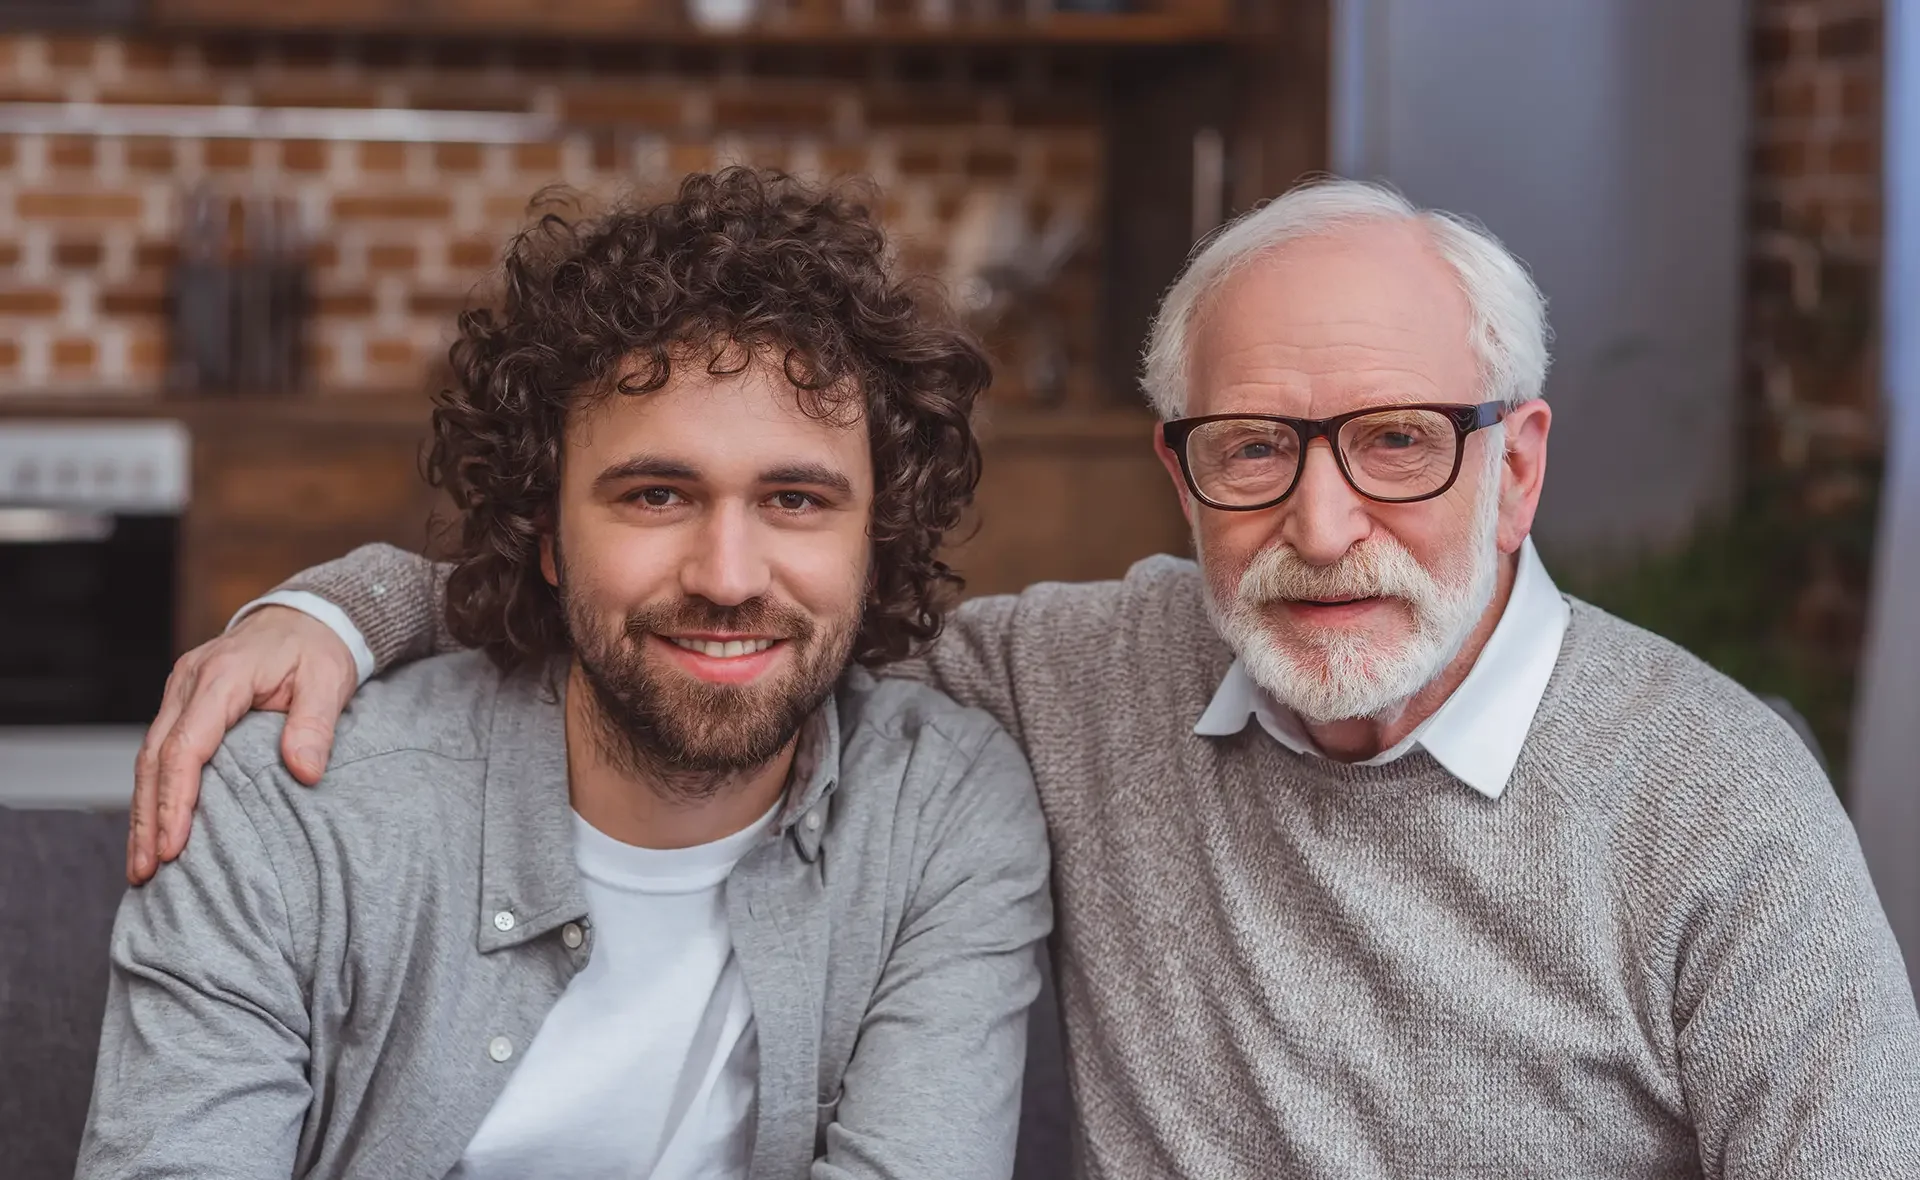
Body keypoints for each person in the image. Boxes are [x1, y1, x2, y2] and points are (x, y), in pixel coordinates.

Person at [129, 178, 1920, 1177]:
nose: (1320, 519)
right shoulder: (1089, 679)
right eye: (1251, 448)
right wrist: (349, 609)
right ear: (1178, 473)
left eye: (1396, 442)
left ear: (1519, 465)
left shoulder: (1719, 803)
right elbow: (716, 623)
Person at [79, 169, 1052, 1180]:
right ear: (546, 534)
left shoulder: (944, 816)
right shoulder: (289, 804)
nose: (726, 577)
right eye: (656, 494)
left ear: (875, 538)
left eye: (797, 500)